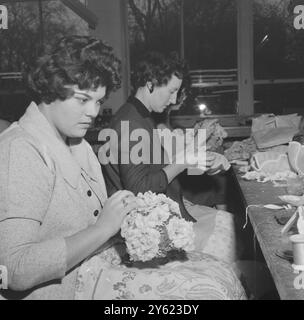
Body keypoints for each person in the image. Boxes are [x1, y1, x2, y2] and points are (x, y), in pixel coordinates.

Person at [0, 37, 245, 300]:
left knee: (222, 276)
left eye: (98, 101)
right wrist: (103, 228)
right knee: (211, 293)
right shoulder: (21, 150)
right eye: (83, 99)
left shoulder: (77, 143)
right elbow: (14, 269)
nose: (93, 112)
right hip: (70, 288)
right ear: (50, 89)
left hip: (100, 264)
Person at [102, 52, 242, 263]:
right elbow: (139, 188)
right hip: (144, 226)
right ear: (150, 84)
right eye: (172, 91)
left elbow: (152, 167)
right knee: (235, 237)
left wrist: (195, 157)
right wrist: (183, 161)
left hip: (166, 208)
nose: (174, 99)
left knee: (232, 224)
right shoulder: (131, 123)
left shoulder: (141, 116)